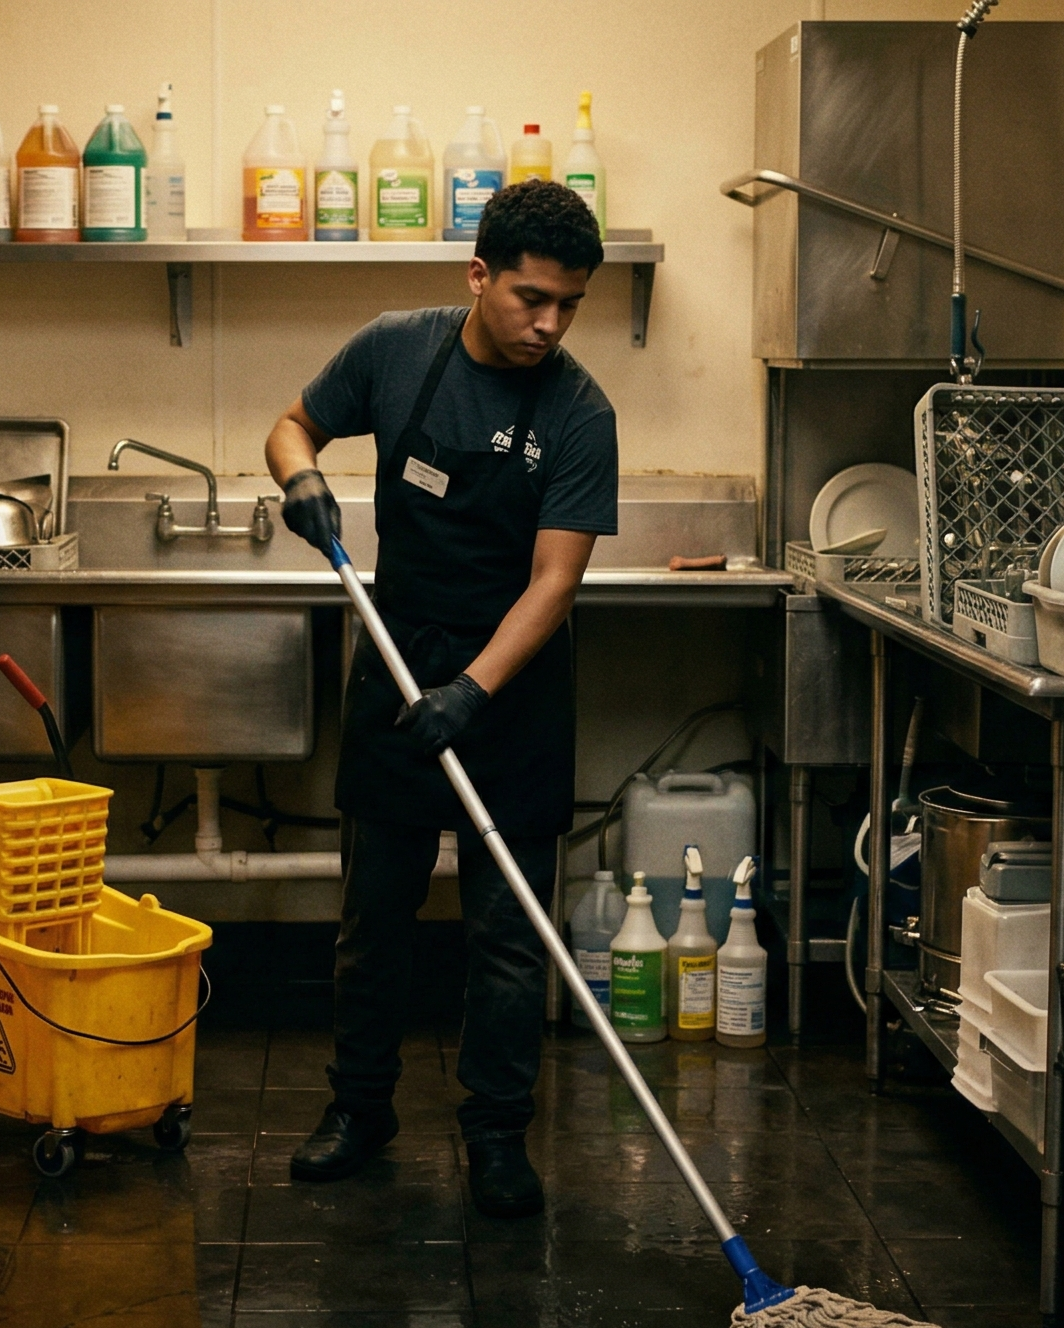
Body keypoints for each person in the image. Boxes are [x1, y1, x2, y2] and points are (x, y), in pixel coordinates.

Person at [262, 180, 616, 1218]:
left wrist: (472, 689)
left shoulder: (578, 410)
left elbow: (554, 580)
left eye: (568, 305)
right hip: (395, 662)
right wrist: (299, 479)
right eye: (529, 299)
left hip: (511, 687)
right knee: (374, 917)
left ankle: (497, 1133)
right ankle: (359, 1107)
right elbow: (292, 425)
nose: (547, 325)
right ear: (478, 275)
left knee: (507, 934)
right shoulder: (394, 348)